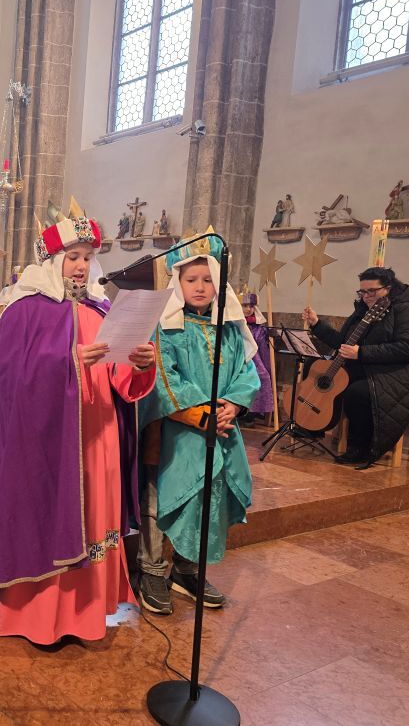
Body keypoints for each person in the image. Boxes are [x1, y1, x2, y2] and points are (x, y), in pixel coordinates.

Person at [0, 213, 156, 644]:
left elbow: (118, 378)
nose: (81, 266)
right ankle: (41, 618)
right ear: (51, 260)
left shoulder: (102, 309)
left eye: (87, 258)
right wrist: (68, 363)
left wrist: (138, 365)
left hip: (99, 436)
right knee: (51, 514)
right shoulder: (24, 311)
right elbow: (12, 378)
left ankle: (86, 613)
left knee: (94, 516)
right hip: (50, 442)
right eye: (72, 257)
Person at [136, 231, 260, 614]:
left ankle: (187, 569)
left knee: (207, 499)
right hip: (173, 432)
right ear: (178, 281)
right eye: (192, 279)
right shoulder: (166, 326)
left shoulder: (230, 329)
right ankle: (152, 570)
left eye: (208, 279)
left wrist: (233, 405)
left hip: (220, 430)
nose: (201, 287)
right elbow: (163, 377)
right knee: (162, 499)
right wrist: (201, 414)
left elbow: (247, 372)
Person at [302, 267, 409, 468]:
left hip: (402, 375)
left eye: (371, 291)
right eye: (362, 291)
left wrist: (361, 353)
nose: (365, 296)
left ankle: (361, 448)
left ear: (389, 288)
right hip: (372, 367)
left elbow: (408, 347)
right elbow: (344, 343)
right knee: (316, 368)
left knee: (358, 392)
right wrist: (317, 324)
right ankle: (312, 425)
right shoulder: (364, 309)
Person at [240, 288, 274, 423]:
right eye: (244, 305)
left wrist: (268, 334)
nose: (248, 309)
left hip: (255, 360)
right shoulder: (235, 324)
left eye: (251, 306)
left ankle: (255, 411)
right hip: (239, 359)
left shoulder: (258, 327)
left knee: (263, 376)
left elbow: (263, 350)